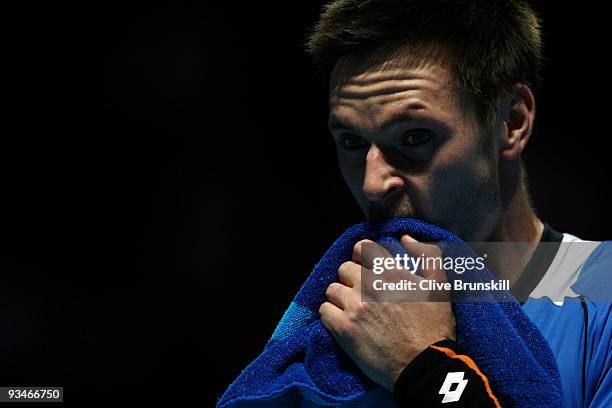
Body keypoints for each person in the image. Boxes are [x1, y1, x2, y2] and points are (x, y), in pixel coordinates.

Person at [307, 0, 611, 406]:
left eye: (415, 138)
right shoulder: (334, 318)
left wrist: (427, 369)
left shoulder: (604, 294)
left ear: (512, 122)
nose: (373, 184)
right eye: (352, 142)